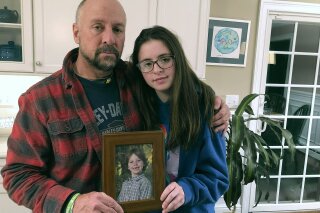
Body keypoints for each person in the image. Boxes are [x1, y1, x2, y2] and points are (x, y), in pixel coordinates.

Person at [1, 0, 230, 212]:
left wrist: (213, 102)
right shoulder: (40, 100)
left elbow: (179, 83)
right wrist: (73, 202)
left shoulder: (137, 79)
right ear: (76, 32)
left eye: (117, 29)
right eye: (98, 27)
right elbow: (17, 175)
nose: (109, 38)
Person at [130, 25, 229, 212]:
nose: (157, 69)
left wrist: (187, 189)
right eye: (147, 63)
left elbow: (218, 178)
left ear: (178, 59)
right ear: (139, 69)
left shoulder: (206, 108)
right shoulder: (134, 107)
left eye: (165, 59)